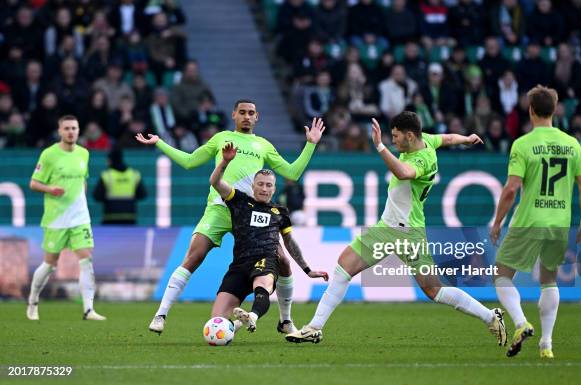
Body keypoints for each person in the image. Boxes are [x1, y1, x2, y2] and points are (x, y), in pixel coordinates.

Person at [286, 111, 507, 346]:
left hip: (407, 232)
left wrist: (380, 146)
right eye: (391, 137)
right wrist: (466, 138)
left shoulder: (421, 159)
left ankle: (490, 316)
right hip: (387, 228)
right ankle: (314, 328)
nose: (394, 141)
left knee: (434, 290)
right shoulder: (426, 140)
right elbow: (448, 138)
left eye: (396, 136)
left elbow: (403, 172)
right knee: (344, 267)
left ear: (410, 136)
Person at [135, 99, 325, 335]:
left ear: (257, 117)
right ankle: (161, 314)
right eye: (242, 112)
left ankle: (285, 320)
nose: (247, 116)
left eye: (251, 113)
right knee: (194, 256)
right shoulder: (220, 138)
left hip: (249, 213)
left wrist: (310, 145)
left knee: (283, 260)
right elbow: (190, 161)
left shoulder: (263, 145)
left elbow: (292, 173)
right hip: (219, 208)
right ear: (234, 114)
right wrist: (160, 143)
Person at [490, 85, 581, 359]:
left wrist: (498, 221)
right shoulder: (572, 144)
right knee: (549, 280)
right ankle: (546, 344)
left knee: (501, 274)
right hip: (559, 222)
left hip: (528, 221)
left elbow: (511, 189)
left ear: (531, 110)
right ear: (555, 110)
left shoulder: (523, 144)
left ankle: (521, 322)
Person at [208, 143, 328, 333]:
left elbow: (289, 242)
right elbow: (215, 182)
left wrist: (307, 269)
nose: (264, 188)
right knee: (216, 322)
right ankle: (237, 324)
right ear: (253, 186)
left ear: (274, 189)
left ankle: (255, 317)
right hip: (239, 265)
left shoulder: (280, 212)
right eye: (261, 184)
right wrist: (224, 161)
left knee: (263, 284)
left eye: (269, 185)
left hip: (265, 260)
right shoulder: (238, 200)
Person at [27, 115, 106, 321]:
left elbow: (83, 182)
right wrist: (50, 189)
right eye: (67, 128)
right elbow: (34, 183)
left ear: (79, 131)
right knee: (50, 264)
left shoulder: (84, 154)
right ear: (60, 131)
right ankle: (33, 301)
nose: (71, 132)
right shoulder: (49, 155)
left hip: (79, 218)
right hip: (56, 219)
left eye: (74, 128)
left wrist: (81, 204)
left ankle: (89, 309)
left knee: (86, 259)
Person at [93, 147, 147, 224]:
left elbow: (96, 196)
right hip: (130, 218)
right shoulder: (134, 175)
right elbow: (142, 195)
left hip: (110, 218)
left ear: (110, 160)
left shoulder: (107, 175)